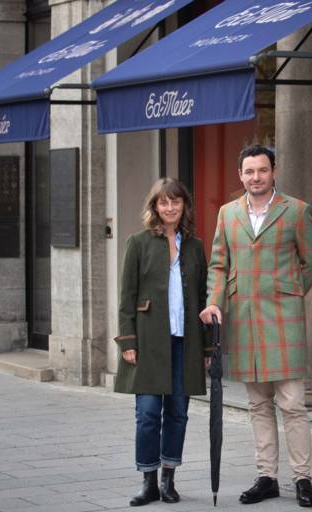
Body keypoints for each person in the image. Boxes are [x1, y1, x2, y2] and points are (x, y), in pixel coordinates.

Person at [200, 145, 312, 508]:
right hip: (244, 320)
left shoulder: (297, 211)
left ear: (274, 172)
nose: (256, 177)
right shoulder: (227, 213)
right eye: (249, 171)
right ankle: (267, 476)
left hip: (284, 321)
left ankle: (303, 479)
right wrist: (214, 302)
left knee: (293, 404)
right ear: (240, 175)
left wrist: (288, 292)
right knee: (257, 404)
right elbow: (219, 265)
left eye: (262, 170)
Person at [114, 178, 211, 507]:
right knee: (148, 413)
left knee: (178, 414)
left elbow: (203, 297)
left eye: (176, 202)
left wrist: (208, 348)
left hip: (186, 342)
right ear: (154, 206)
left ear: (184, 206)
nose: (170, 208)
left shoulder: (195, 246)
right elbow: (126, 297)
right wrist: (128, 340)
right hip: (149, 341)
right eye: (163, 202)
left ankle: (169, 478)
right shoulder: (138, 243)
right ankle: (148, 481)